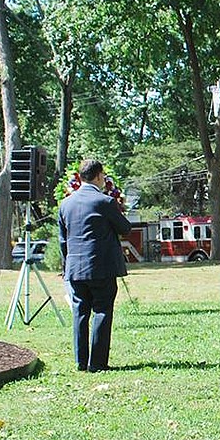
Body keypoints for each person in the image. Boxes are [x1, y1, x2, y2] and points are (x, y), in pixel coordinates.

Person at [57, 159, 133, 372]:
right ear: (99, 176)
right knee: (102, 311)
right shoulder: (105, 202)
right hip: (101, 268)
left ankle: (81, 361)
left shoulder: (66, 204)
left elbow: (63, 241)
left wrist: (68, 265)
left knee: (80, 313)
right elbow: (125, 228)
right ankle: (98, 363)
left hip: (75, 268)